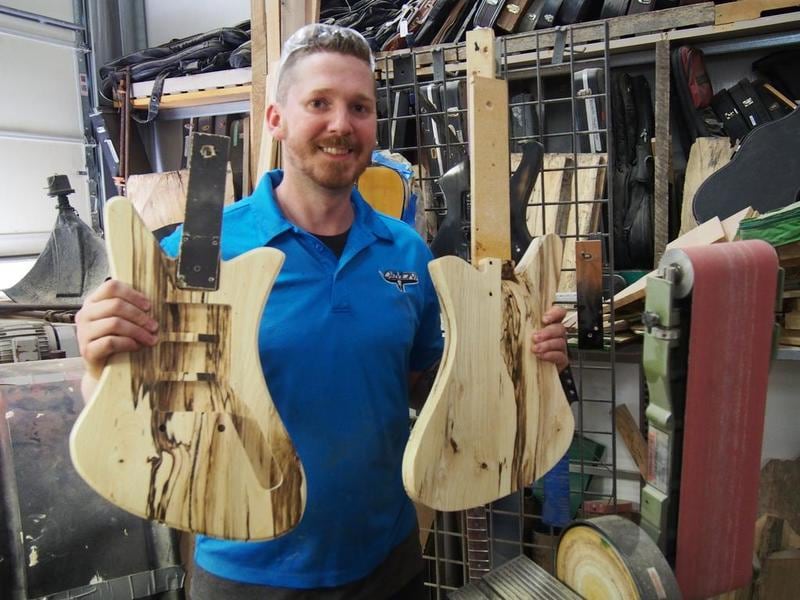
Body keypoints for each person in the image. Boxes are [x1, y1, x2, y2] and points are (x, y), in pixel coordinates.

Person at [75, 24, 569, 599]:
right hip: (249, 572)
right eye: (319, 103)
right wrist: (98, 358)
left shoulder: (405, 250)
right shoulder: (203, 250)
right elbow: (130, 408)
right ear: (276, 119)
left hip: (389, 562)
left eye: (359, 106)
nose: (341, 124)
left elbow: (421, 386)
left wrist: (517, 361)